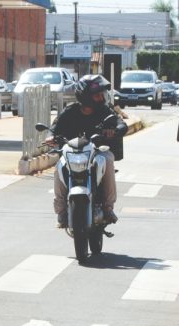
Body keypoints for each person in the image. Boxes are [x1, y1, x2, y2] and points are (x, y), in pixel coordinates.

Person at [47, 74, 126, 228]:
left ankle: (108, 208)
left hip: (97, 151)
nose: (101, 98)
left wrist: (115, 131)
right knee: (59, 167)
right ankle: (61, 211)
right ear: (86, 96)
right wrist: (50, 137)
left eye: (101, 94)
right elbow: (54, 127)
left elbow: (120, 123)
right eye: (97, 95)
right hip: (73, 152)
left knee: (108, 159)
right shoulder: (70, 111)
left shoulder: (105, 111)